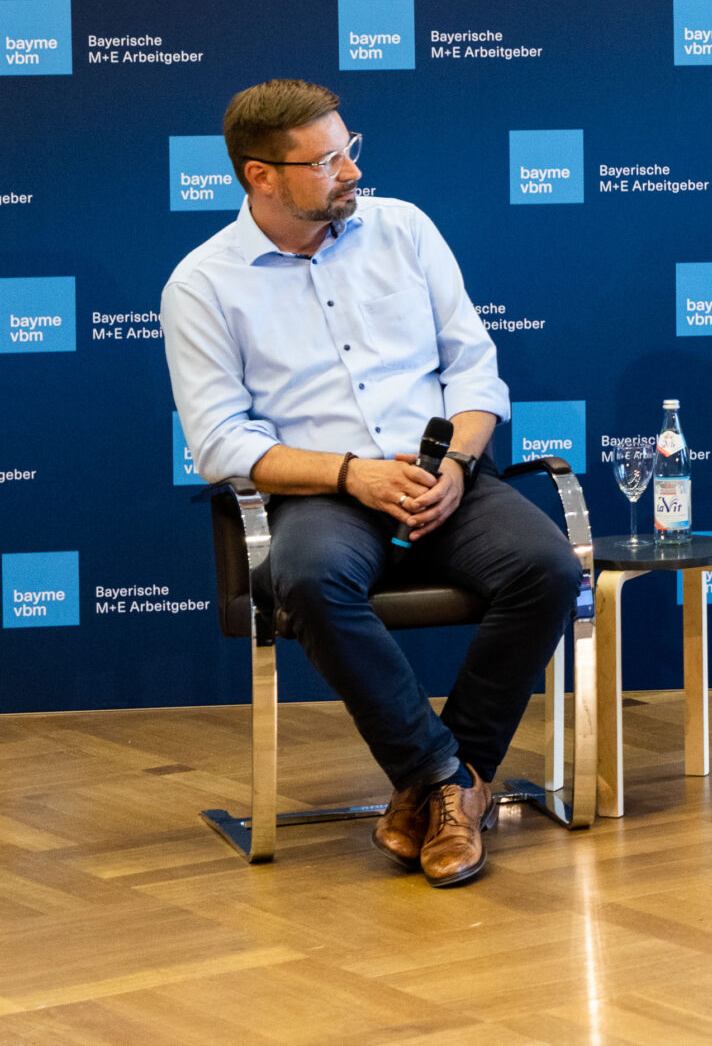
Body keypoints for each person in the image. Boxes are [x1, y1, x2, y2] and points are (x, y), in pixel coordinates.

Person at [163, 79, 581, 885]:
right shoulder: (202, 284)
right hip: (324, 493)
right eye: (324, 161)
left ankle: (442, 782)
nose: (349, 170)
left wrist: (457, 465)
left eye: (350, 148)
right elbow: (221, 441)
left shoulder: (406, 230)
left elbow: (475, 372)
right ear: (261, 176)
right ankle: (446, 781)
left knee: (550, 566)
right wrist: (353, 475)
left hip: (444, 474)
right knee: (311, 579)